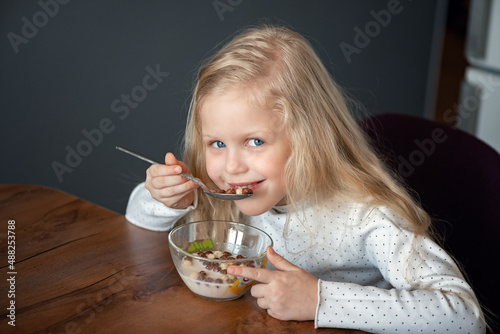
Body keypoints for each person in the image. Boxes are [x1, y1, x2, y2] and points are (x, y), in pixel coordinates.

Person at [125, 25, 486, 333]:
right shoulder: (220, 190)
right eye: (217, 143)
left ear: (309, 138)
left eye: (255, 141)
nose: (231, 167)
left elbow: (465, 317)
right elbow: (136, 219)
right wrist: (165, 197)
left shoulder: (365, 217)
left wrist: (320, 300)